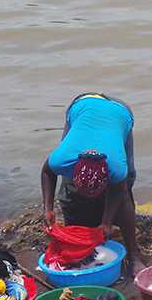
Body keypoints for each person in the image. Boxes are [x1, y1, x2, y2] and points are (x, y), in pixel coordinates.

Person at [41, 92, 143, 278]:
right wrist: (47, 208)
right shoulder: (62, 159)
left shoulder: (117, 168)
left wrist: (107, 222)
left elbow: (119, 190)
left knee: (127, 187)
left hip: (119, 112)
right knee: (70, 191)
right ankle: (80, 222)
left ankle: (135, 255)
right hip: (83, 105)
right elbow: (47, 172)